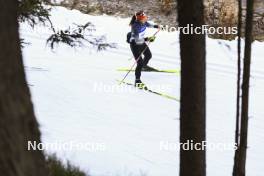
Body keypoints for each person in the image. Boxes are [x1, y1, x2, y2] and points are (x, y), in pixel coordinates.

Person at [127, 11, 160, 88]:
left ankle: (143, 67)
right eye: (144, 18)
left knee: (148, 55)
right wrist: (148, 39)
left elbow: (149, 25)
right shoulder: (135, 26)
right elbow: (137, 39)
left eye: (145, 17)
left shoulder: (143, 22)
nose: (146, 19)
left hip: (141, 43)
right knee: (140, 62)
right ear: (140, 19)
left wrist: (156, 26)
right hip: (135, 44)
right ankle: (137, 81)